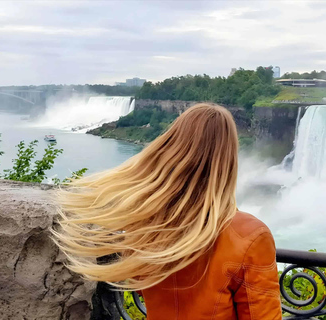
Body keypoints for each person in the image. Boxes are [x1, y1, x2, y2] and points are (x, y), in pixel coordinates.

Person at [53, 103, 282, 319]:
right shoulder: (250, 235)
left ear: (170, 147)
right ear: (229, 158)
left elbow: (142, 286)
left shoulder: (145, 223)